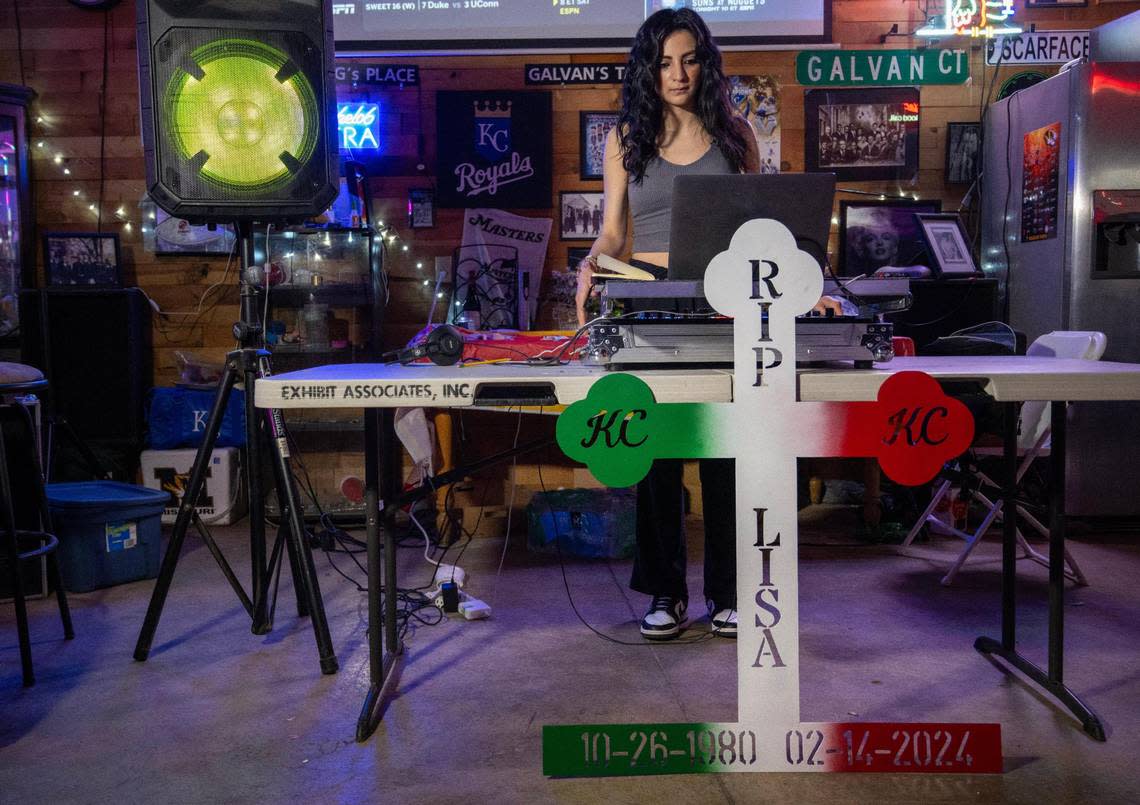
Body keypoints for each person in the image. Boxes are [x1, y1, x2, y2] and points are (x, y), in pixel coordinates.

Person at [574, 8, 840, 641]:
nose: (677, 73)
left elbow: (766, 227)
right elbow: (614, 232)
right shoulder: (625, 138)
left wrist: (810, 287)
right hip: (650, 296)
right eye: (664, 61)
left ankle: (728, 592)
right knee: (658, 450)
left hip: (727, 298)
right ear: (648, 67)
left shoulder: (736, 132)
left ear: (705, 62)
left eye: (689, 58)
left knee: (727, 450)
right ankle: (664, 591)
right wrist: (590, 264)